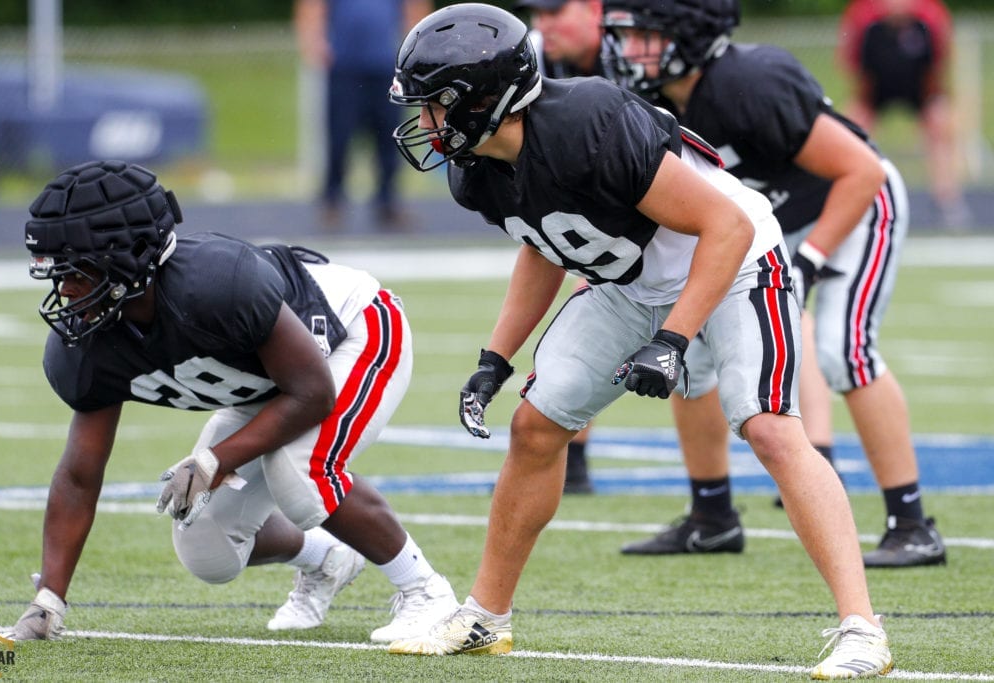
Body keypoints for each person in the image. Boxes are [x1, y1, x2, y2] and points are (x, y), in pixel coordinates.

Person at [385, 4, 892, 678]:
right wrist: (495, 358)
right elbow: (542, 245)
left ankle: (862, 627)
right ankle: (486, 615)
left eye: (436, 104)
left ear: (486, 100)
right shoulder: (476, 169)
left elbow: (725, 226)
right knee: (535, 427)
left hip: (737, 262)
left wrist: (675, 337)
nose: (424, 122)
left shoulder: (588, 121)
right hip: (630, 282)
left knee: (769, 427)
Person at [5, 160, 458, 643]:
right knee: (206, 547)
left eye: (80, 271)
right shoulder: (90, 343)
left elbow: (313, 393)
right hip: (272, 384)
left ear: (132, 255)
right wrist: (48, 599)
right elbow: (79, 475)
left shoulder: (216, 283)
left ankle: (427, 593)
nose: (67, 290)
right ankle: (325, 557)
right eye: (59, 272)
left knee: (299, 466)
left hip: (353, 332)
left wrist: (215, 460)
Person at [603, 0, 947, 571]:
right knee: (686, 348)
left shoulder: (749, 81)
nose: (629, 49)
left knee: (844, 350)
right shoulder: (652, 101)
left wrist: (808, 261)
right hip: (767, 227)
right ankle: (711, 517)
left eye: (644, 34)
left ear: (690, 36)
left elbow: (861, 170)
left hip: (854, 207)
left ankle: (911, 523)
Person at [516, 0, 615, 494]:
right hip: (584, 202)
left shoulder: (637, 51)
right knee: (586, 306)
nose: (543, 25)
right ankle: (573, 455)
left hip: (664, 197)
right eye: (538, 14)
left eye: (556, 11)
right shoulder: (529, 57)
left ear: (596, 8)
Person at [293, 0, 432, 231]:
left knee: (390, 137)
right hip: (344, 68)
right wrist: (313, 43)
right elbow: (312, 7)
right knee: (339, 137)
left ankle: (387, 201)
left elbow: (414, 8)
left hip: (385, 66)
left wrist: (417, 51)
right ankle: (332, 200)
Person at [837, 0, 971, 229]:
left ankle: (947, 200)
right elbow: (851, 63)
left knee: (941, 122)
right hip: (876, 89)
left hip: (919, 87)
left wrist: (933, 98)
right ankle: (846, 198)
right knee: (848, 129)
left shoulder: (931, 15)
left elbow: (941, 60)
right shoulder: (862, 16)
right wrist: (865, 100)